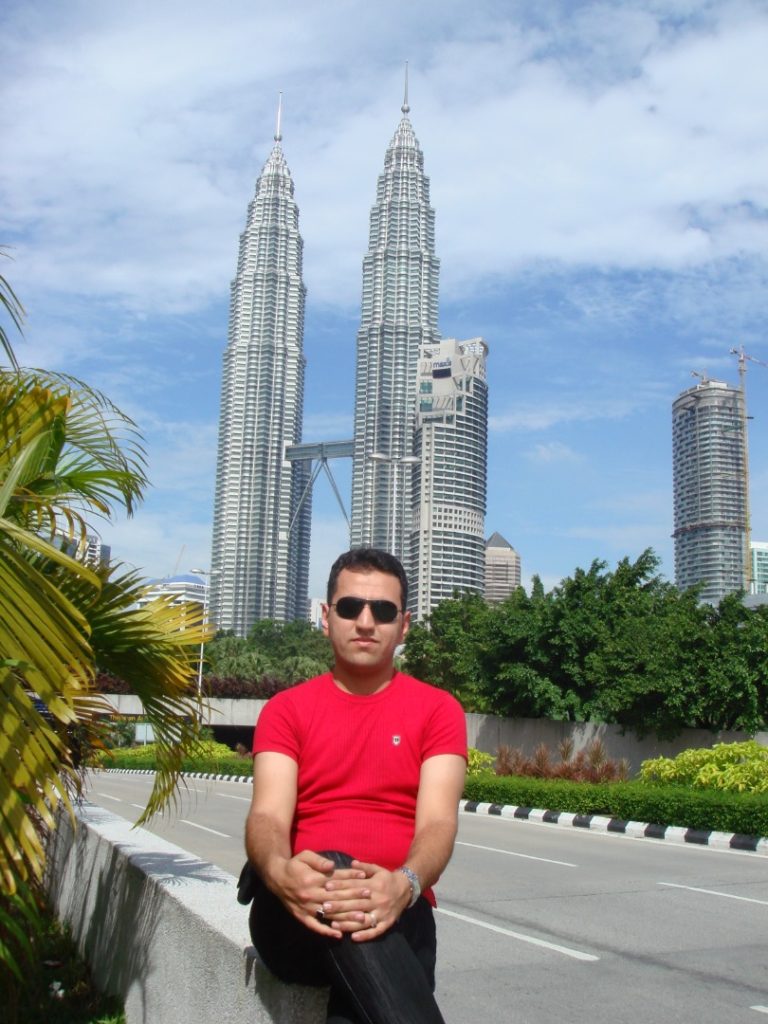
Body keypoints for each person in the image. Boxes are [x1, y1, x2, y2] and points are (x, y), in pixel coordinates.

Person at [244, 547, 467, 1024]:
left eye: (383, 611)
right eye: (350, 607)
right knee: (338, 871)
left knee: (362, 989)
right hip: (295, 910)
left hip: (401, 909)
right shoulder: (286, 710)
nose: (366, 622)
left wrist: (403, 884)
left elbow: (438, 824)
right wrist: (279, 872)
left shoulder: (438, 711)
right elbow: (266, 816)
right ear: (327, 618)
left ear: (403, 626)